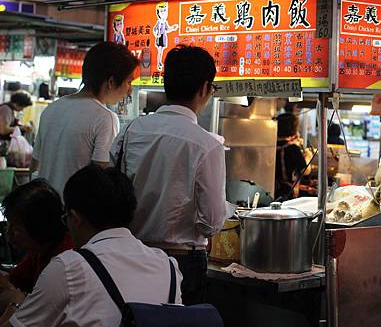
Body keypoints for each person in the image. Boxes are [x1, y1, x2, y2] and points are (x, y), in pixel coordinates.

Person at [111, 45, 232, 305]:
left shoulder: (132, 130)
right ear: (204, 89)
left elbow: (114, 183)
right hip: (180, 262)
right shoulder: (207, 145)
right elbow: (211, 223)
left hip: (130, 252)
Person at [0, 165, 183, 327]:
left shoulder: (68, 267)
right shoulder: (168, 266)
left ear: (75, 218)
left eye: (67, 219)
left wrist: (16, 303)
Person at [32, 42, 139, 196]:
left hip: (46, 207)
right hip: (76, 215)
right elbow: (101, 180)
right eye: (129, 82)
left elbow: (34, 166)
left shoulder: (52, 109)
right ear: (110, 82)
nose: (130, 91)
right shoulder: (105, 118)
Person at [0, 179, 72, 293]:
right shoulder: (38, 250)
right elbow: (14, 279)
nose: (9, 233)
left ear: (38, 227)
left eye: (16, 228)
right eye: (8, 225)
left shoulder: (63, 261)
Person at [275, 112, 308, 201]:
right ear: (293, 129)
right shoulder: (293, 148)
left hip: (272, 190)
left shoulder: (271, 146)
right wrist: (308, 156)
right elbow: (305, 171)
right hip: (287, 193)